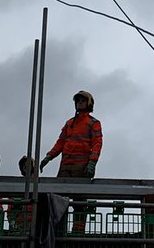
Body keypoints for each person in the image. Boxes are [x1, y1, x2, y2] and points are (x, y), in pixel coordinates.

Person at [42, 91, 102, 233]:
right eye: (78, 100)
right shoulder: (69, 123)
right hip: (65, 167)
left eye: (82, 100)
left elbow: (97, 143)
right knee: (58, 200)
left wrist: (92, 163)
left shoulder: (94, 123)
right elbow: (60, 142)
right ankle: (58, 232)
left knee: (79, 202)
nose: (80, 102)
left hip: (81, 168)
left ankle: (78, 233)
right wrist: (49, 157)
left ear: (89, 103)